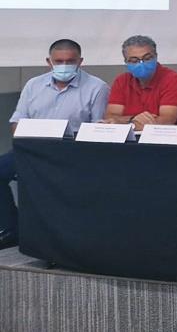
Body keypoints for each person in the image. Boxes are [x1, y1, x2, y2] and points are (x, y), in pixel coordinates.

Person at [2, 39, 109, 250]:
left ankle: (64, 238)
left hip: (72, 153)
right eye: (59, 61)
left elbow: (99, 130)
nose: (64, 66)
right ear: (48, 61)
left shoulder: (97, 87)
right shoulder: (33, 85)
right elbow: (16, 122)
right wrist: (27, 136)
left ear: (80, 61)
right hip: (31, 149)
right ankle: (11, 229)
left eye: (70, 61)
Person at [103, 35, 177, 130]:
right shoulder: (122, 81)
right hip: (128, 137)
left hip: (166, 136)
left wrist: (126, 123)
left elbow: (165, 121)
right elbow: (110, 117)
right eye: (134, 60)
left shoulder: (173, 80)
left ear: (156, 56)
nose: (141, 63)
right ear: (126, 62)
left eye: (147, 58)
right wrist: (133, 119)